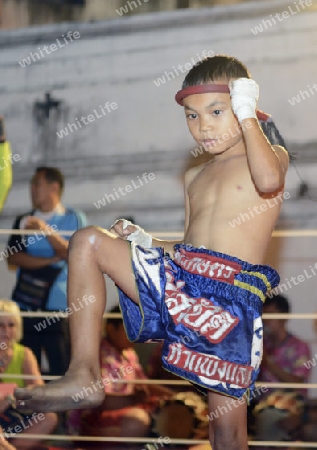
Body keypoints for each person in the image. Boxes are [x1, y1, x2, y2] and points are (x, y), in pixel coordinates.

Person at [14, 55, 289, 450]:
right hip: (181, 283)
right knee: (88, 240)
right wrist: (144, 241)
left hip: (226, 304)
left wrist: (247, 113)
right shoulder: (195, 174)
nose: (203, 126)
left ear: (245, 104)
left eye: (216, 111)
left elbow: (267, 180)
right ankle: (84, 375)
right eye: (192, 116)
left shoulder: (267, 157)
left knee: (225, 432)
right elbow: (188, 248)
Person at [6, 167, 87, 376]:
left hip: (57, 307)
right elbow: (14, 257)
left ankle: (62, 410)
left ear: (54, 187)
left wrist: (45, 230)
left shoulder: (74, 217)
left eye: (37, 184)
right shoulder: (23, 220)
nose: (32, 189)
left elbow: (74, 254)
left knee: (61, 367)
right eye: (32, 184)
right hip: (27, 304)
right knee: (27, 368)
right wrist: (53, 258)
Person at [67, 305, 173, 438]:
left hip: (125, 410)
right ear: (111, 329)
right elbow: (99, 400)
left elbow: (145, 384)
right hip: (93, 420)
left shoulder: (129, 353)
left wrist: (174, 397)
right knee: (137, 421)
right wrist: (134, 399)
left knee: (167, 412)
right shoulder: (98, 356)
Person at [252, 294, 311, 443]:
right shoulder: (260, 344)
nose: (266, 320)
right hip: (258, 403)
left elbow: (297, 382)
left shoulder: (299, 347)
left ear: (284, 317)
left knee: (270, 417)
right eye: (263, 315)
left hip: (291, 405)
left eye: (270, 314)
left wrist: (268, 363)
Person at [0, 299, 57, 449]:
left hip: (15, 416)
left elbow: (38, 391)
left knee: (48, 417)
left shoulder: (24, 354)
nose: (6, 330)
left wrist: (11, 396)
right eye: (1, 325)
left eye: (11, 325)